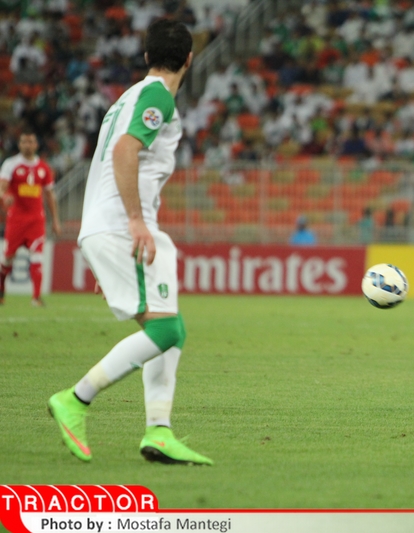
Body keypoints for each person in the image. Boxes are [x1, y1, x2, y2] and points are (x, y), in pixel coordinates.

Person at [46, 19, 213, 465]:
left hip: (112, 227)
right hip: (122, 225)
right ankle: (75, 399)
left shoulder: (126, 98)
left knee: (168, 328)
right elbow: (125, 152)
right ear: (190, 60)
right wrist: (135, 222)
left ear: (145, 57)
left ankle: (159, 431)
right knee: (165, 330)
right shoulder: (157, 95)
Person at [0, 130, 61, 306]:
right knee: (7, 259)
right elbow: (2, 188)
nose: (28, 145)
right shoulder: (11, 164)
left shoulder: (43, 167)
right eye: (24, 142)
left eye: (31, 141)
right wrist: (5, 197)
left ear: (36, 144)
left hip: (36, 220)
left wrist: (55, 220)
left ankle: (36, 297)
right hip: (16, 220)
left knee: (37, 257)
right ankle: (1, 288)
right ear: (19, 145)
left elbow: (50, 195)